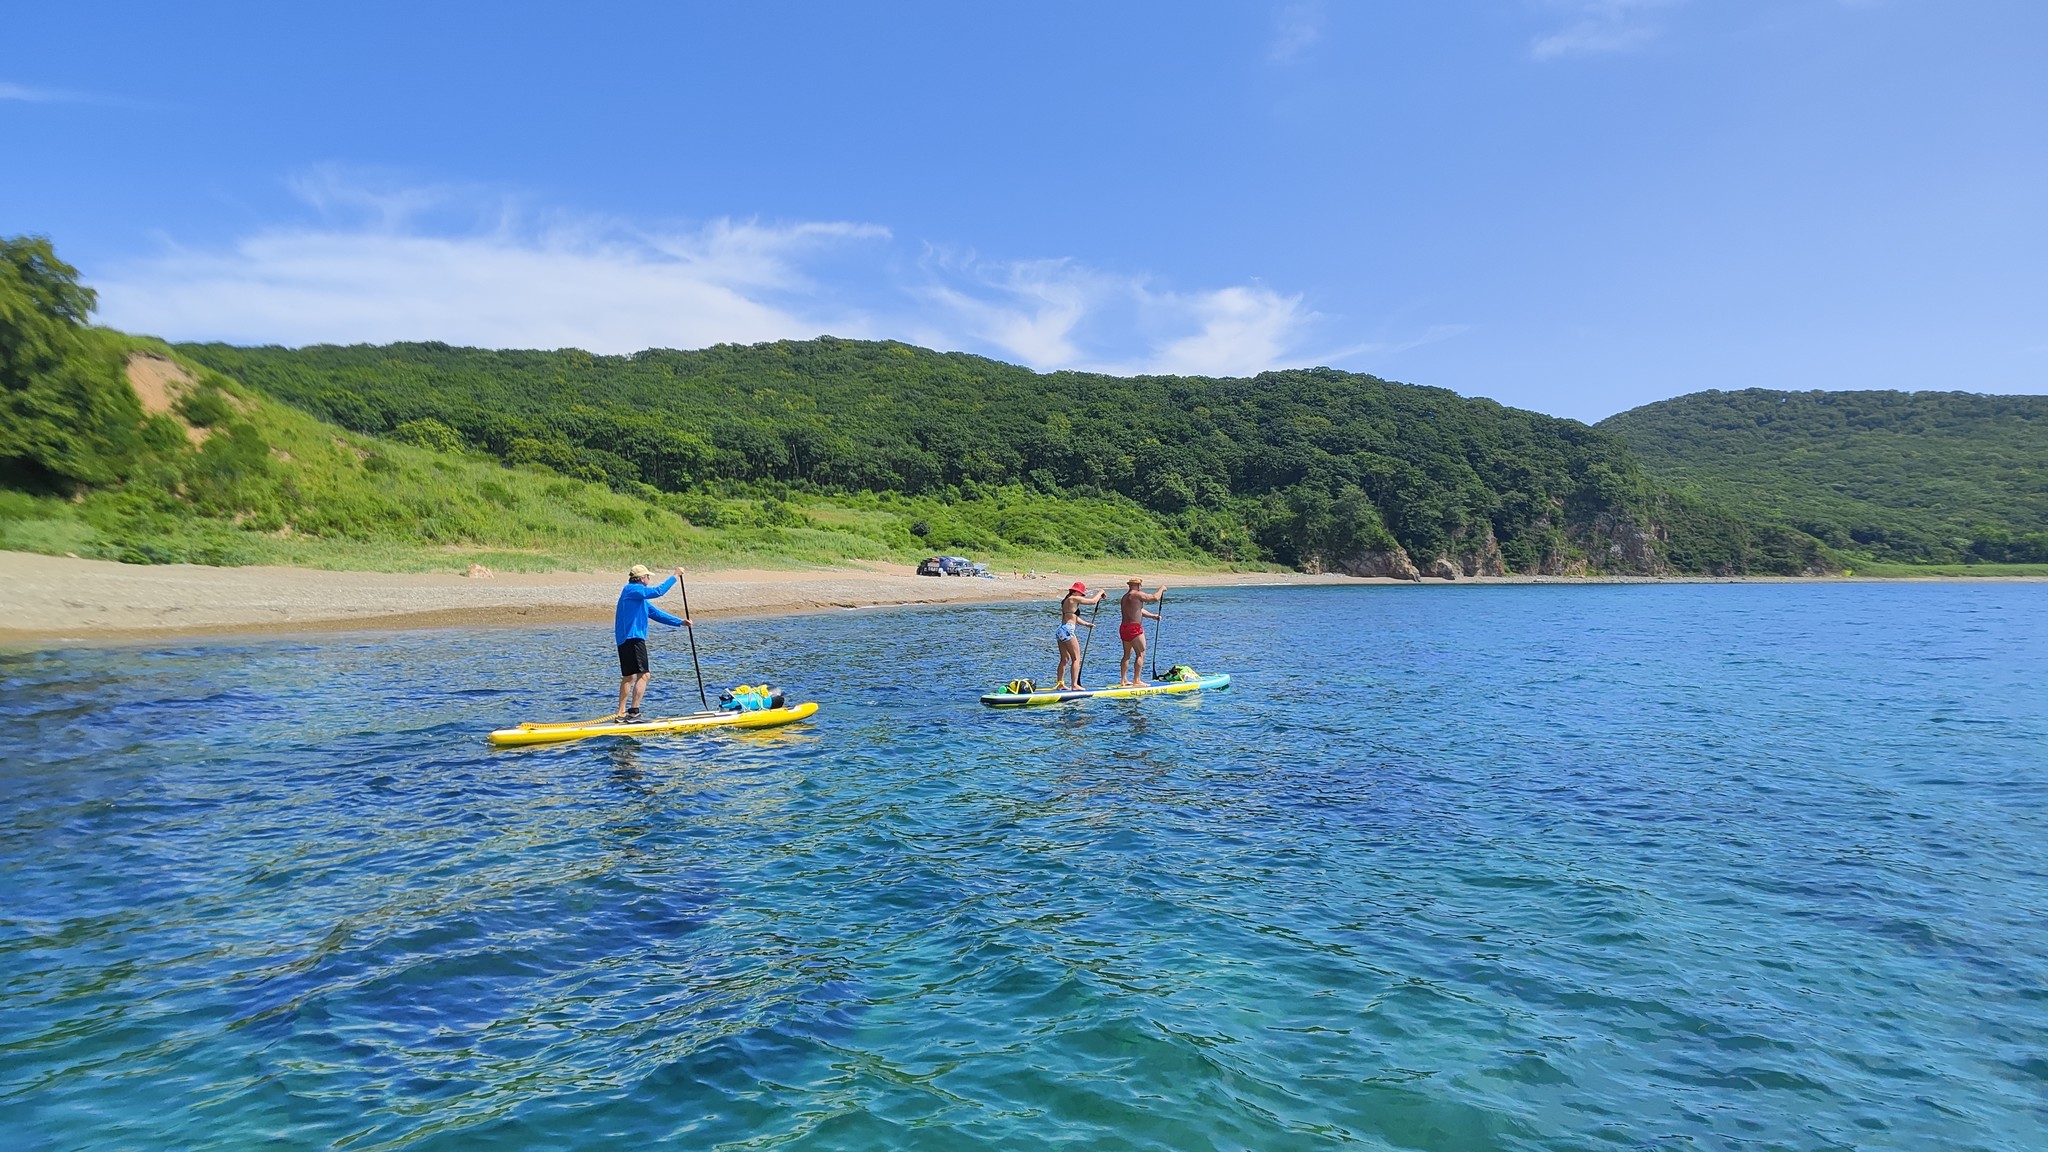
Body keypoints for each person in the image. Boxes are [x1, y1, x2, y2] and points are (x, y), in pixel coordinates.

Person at [614, 564, 691, 722]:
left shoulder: (636, 596)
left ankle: (620, 714)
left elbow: (656, 614)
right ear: (642, 578)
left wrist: (680, 622)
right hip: (634, 639)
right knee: (644, 675)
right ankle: (634, 713)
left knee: (628, 677)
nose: (649, 579)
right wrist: (675, 575)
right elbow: (658, 591)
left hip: (624, 640)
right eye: (648, 577)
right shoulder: (633, 589)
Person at [1053, 580, 1106, 690]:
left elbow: (1073, 617)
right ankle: (1074, 685)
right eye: (1081, 594)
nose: (1082, 596)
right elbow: (1092, 602)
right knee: (1076, 659)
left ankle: (1060, 683)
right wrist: (1100, 592)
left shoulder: (1067, 601)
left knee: (1064, 659)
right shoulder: (1073, 598)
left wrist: (1086, 624)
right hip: (1067, 630)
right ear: (1076, 592)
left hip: (1061, 630)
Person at [1116, 578, 1166, 686]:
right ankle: (1136, 680)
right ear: (1138, 585)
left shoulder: (1125, 597)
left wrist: (1153, 616)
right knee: (1141, 653)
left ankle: (1123, 680)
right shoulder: (1137, 595)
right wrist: (1161, 589)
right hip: (1134, 628)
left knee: (1126, 655)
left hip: (1124, 628)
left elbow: (1138, 610)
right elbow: (1154, 598)